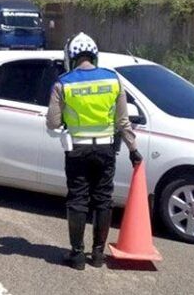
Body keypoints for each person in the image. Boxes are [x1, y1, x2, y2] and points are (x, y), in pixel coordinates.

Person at [46, 32, 142, 270]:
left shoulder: (63, 82)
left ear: (71, 57)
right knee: (103, 200)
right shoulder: (113, 80)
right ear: (94, 56)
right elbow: (123, 121)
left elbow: (53, 123)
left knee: (78, 199)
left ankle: (77, 256)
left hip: (77, 150)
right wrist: (133, 149)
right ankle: (97, 255)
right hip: (106, 149)